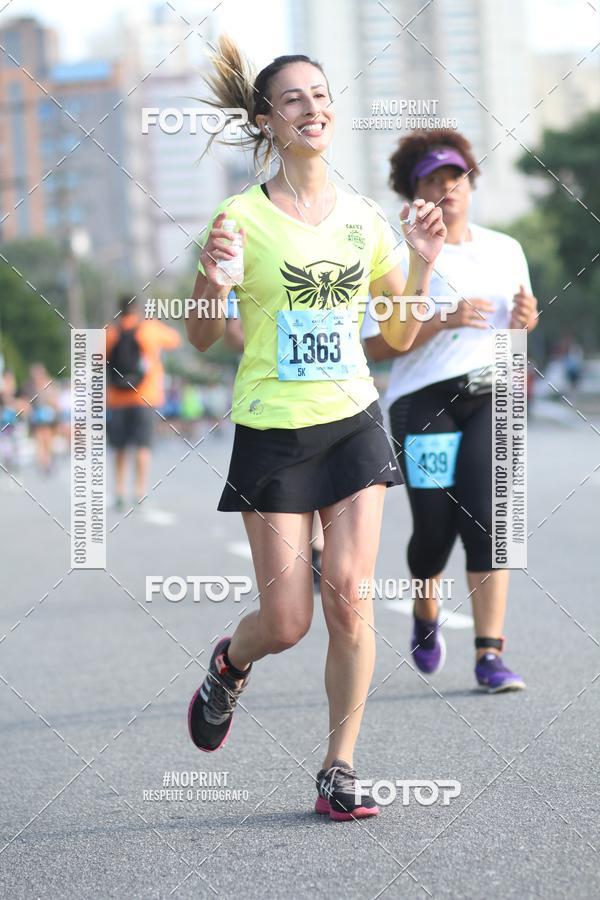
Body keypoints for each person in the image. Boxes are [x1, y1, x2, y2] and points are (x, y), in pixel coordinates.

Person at [185, 37, 446, 820]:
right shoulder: (238, 217)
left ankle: (340, 765)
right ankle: (230, 664)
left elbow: (397, 337)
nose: (312, 108)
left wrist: (423, 262)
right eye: (294, 98)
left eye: (322, 95)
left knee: (350, 597)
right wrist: (208, 280)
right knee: (289, 620)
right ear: (267, 118)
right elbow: (201, 336)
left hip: (354, 420)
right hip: (273, 426)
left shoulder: (365, 220)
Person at [362, 129, 538, 693]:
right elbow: (373, 344)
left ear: (471, 183)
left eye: (455, 176)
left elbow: (515, 336)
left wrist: (523, 326)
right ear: (412, 193)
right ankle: (425, 609)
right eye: (433, 180)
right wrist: (442, 319)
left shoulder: (505, 248)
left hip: (493, 395)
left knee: (491, 524)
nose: (447, 188)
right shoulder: (395, 256)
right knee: (435, 527)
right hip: (424, 404)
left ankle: (490, 655)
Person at [106, 295, 181, 509]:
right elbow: (175, 340)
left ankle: (119, 492)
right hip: (146, 398)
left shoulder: (110, 332)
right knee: (143, 446)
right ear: (137, 309)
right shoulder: (150, 328)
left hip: (116, 399)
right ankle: (140, 492)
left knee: (119, 447)